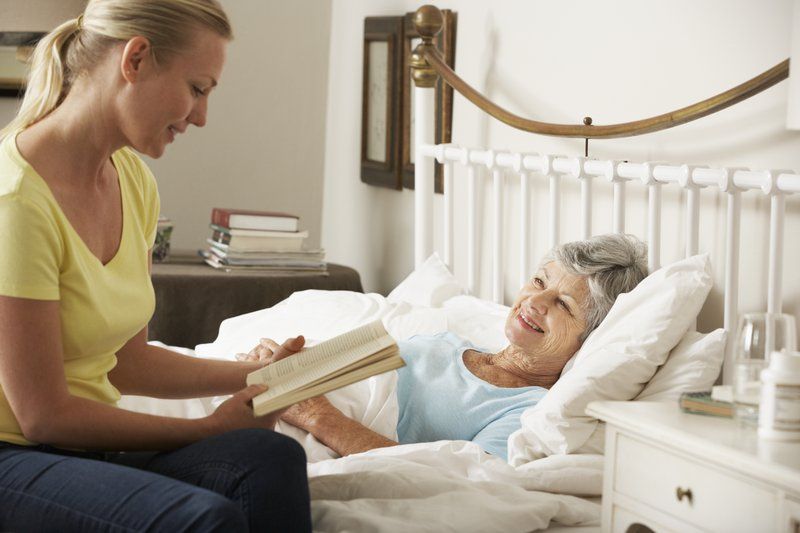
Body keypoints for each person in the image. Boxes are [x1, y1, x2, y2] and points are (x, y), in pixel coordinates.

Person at [0, 1, 311, 531]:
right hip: (17, 454)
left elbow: (128, 361)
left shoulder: (132, 181)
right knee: (202, 518)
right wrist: (206, 431)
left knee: (271, 458)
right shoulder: (16, 203)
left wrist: (259, 376)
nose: (201, 116)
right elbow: (43, 414)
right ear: (136, 59)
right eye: (198, 88)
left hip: (83, 447)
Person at [246, 234, 648, 460]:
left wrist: (316, 414)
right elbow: (338, 364)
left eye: (563, 305)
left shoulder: (527, 413)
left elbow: (441, 474)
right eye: (540, 282)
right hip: (280, 400)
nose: (534, 303)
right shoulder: (444, 339)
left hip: (307, 429)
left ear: (589, 338)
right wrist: (285, 363)